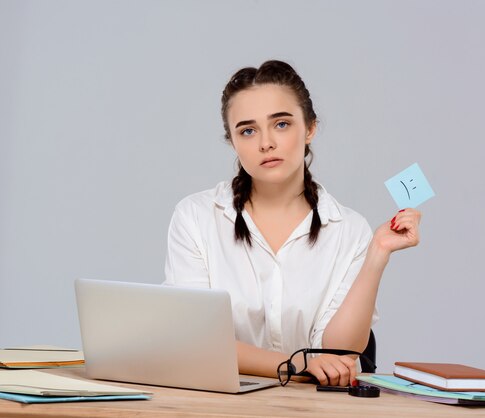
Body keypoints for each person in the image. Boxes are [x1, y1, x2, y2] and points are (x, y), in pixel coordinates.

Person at [164, 60, 421, 387]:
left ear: (310, 128)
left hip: (312, 405)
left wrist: (378, 254)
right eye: (247, 130)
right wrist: (296, 365)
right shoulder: (195, 216)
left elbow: (339, 351)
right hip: (218, 400)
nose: (266, 143)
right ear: (232, 141)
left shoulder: (349, 229)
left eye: (281, 124)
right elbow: (195, 340)